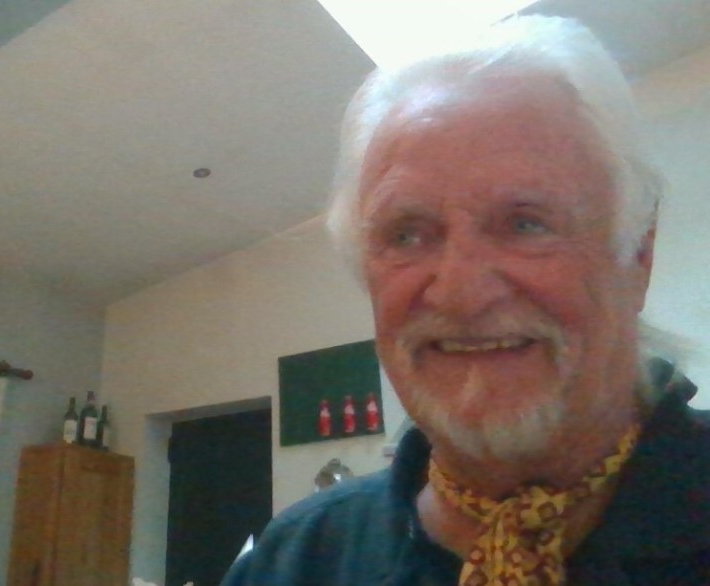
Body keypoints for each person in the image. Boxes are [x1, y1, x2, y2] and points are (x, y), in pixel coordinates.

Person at [222, 15, 709, 586]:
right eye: (407, 234)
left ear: (638, 254)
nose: (461, 294)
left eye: (526, 223)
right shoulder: (296, 562)